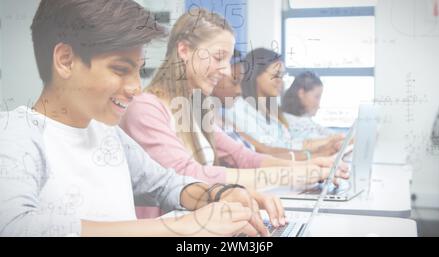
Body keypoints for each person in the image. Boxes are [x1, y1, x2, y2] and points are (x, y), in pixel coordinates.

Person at [0, 0, 286, 237]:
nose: (136, 87)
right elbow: (15, 226)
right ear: (65, 60)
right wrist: (179, 227)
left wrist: (220, 194)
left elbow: (165, 185)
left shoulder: (107, 133)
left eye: (138, 70)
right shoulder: (15, 132)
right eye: (120, 69)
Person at [120, 9, 349, 220]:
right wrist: (293, 175)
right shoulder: (146, 108)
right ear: (184, 50)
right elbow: (191, 176)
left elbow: (244, 157)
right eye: (219, 57)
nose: (227, 70)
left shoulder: (197, 110)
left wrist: (309, 166)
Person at [224, 48, 343, 160]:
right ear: (256, 74)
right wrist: (318, 152)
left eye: (281, 75)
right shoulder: (239, 110)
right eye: (275, 74)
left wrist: (324, 148)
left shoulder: (271, 112)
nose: (279, 80)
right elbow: (267, 151)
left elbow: (288, 143)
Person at [282, 71, 339, 141]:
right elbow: (309, 141)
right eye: (317, 97)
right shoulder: (290, 122)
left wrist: (342, 138)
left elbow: (322, 130)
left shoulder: (304, 119)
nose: (318, 105)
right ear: (301, 93)